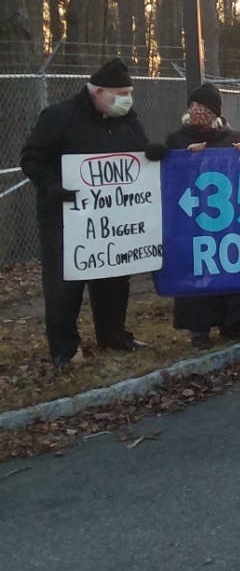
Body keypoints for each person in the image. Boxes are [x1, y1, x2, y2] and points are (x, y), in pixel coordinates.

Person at [20, 58, 161, 365]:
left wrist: (154, 154)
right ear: (96, 92)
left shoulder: (128, 121)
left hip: (114, 220)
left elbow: (141, 155)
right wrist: (51, 185)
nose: (126, 99)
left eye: (129, 92)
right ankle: (66, 349)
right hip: (65, 217)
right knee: (64, 285)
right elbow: (31, 157)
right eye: (119, 93)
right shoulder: (60, 117)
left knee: (114, 278)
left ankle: (113, 335)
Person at [164, 83, 240, 348]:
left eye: (203, 108)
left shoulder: (231, 136)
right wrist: (185, 158)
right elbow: (167, 171)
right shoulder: (177, 139)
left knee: (232, 263)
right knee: (197, 269)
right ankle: (199, 329)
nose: (197, 112)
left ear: (215, 112)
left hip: (227, 217)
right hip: (192, 219)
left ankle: (233, 324)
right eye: (193, 107)